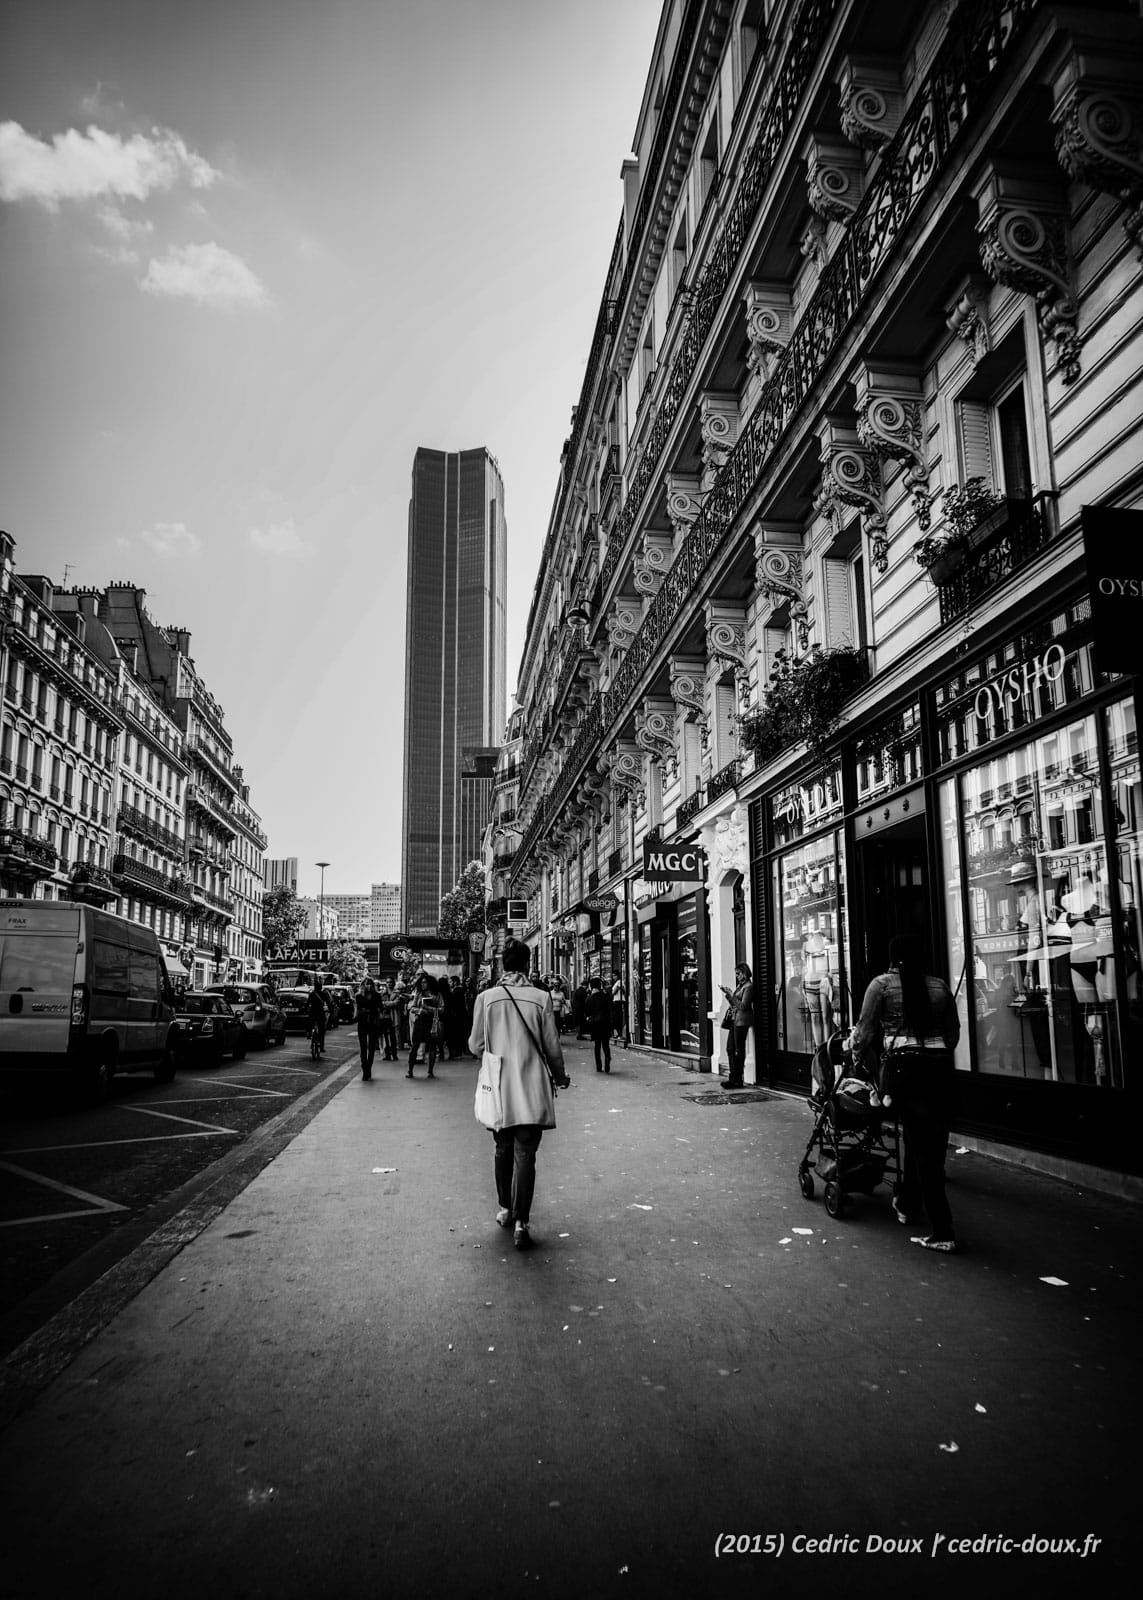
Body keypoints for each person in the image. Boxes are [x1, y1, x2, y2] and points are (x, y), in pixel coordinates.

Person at [851, 937, 962, 1253]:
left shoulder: (882, 985)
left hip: (904, 1069)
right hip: (940, 1069)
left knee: (920, 1145)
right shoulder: (940, 987)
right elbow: (952, 1035)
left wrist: (857, 1058)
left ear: (892, 957)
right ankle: (910, 1201)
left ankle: (942, 1229)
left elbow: (864, 1031)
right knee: (930, 1143)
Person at [468, 937, 569, 1250]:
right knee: (526, 1155)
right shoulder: (541, 998)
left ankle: (505, 1208)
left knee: (502, 1149)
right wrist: (561, 1076)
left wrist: (496, 1048)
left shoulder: (486, 998)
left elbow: (475, 1046)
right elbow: (552, 1046)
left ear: (502, 964)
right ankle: (522, 1223)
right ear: (528, 964)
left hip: (499, 1088)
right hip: (532, 1087)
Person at [720, 963, 754, 1089]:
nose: (737, 976)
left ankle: (737, 1078)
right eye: (736, 974)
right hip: (735, 1020)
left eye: (739, 973)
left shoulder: (749, 987)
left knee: (738, 1050)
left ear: (745, 973)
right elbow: (735, 1004)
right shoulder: (741, 986)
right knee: (730, 1048)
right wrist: (728, 994)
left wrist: (732, 995)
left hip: (742, 1021)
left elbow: (743, 1006)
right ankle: (733, 1077)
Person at [407, 973, 444, 1079]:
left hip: (431, 1022)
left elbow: (442, 1009)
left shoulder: (437, 994)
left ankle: (430, 1071)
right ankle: (410, 1070)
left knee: (432, 1047)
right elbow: (412, 1007)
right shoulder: (419, 993)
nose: (423, 984)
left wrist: (429, 1009)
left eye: (425, 982)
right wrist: (420, 1010)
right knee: (415, 1046)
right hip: (420, 1021)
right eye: (421, 982)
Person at [355, 978, 383, 1080]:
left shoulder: (377, 995)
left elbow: (380, 1007)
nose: (369, 986)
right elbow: (359, 1007)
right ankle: (364, 1069)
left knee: (371, 1048)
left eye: (371, 984)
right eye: (367, 984)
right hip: (362, 1023)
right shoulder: (359, 996)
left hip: (373, 1022)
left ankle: (368, 1068)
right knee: (363, 1048)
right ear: (363, 985)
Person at [585, 976, 612, 1073]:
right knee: (606, 1044)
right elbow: (609, 1010)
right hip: (605, 1023)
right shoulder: (605, 996)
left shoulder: (589, 999)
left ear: (591, 986)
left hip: (595, 1024)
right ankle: (607, 1057)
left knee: (597, 1045)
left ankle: (599, 1066)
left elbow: (587, 1013)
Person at [305, 980, 327, 1056]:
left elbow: (308, 1004)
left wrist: (305, 1010)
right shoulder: (323, 994)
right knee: (322, 1030)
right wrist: (330, 1010)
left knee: (309, 1023)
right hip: (320, 1013)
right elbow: (328, 1003)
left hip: (313, 1013)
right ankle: (321, 1047)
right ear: (321, 988)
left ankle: (309, 1033)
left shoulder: (312, 994)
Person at [611, 975, 628, 1046]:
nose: (613, 977)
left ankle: (620, 1034)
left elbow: (613, 992)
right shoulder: (618, 983)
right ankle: (618, 1033)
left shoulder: (619, 982)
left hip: (618, 1001)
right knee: (617, 1018)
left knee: (618, 1018)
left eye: (614, 975)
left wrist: (617, 988)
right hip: (618, 1001)